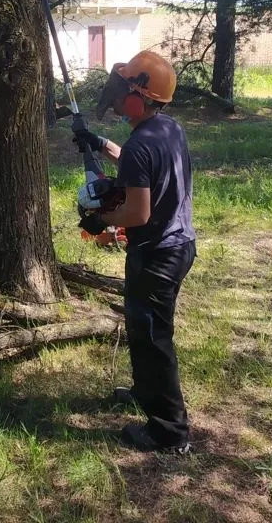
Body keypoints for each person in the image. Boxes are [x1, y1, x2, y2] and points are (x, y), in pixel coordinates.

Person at [75, 50, 196, 454]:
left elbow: (138, 213)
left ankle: (169, 430)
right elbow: (137, 163)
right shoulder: (168, 129)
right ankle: (147, 391)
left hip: (156, 253)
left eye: (124, 91)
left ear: (139, 97)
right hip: (180, 244)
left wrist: (100, 219)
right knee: (147, 331)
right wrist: (100, 143)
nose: (117, 98)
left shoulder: (142, 143)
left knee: (151, 337)